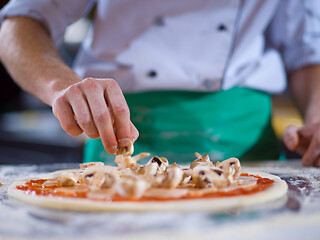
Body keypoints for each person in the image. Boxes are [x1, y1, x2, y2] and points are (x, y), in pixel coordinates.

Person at [0, 0, 320, 166]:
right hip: (114, 128)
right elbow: (19, 24)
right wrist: (60, 85)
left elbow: (308, 48)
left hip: (243, 139)